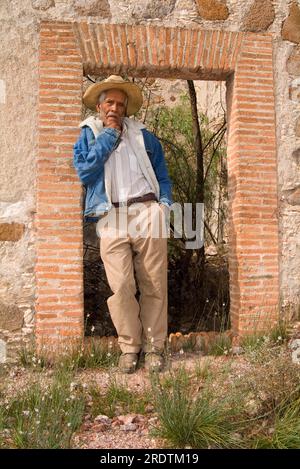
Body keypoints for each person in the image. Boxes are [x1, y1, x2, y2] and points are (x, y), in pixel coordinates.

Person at [73, 75, 173, 373]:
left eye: (120, 103)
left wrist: (163, 207)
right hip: (111, 215)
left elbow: (163, 176)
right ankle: (130, 347)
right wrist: (109, 135)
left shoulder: (144, 137)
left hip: (146, 210)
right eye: (109, 102)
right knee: (121, 286)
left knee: (154, 282)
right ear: (100, 106)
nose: (114, 107)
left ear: (126, 107)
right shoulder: (89, 135)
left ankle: (155, 348)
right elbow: (85, 171)